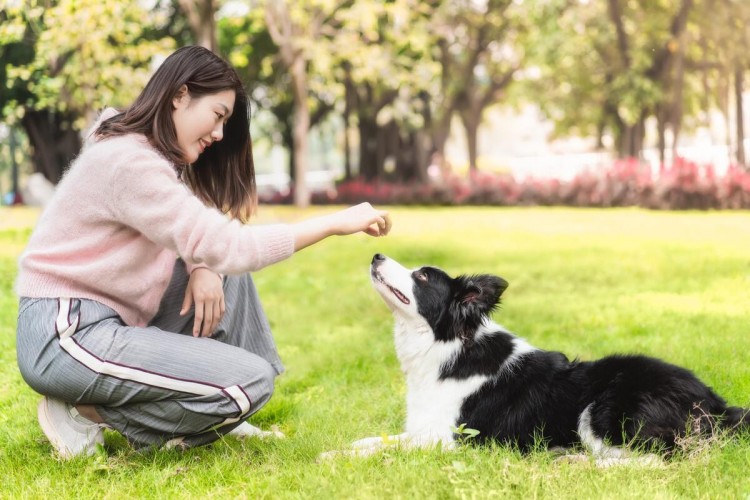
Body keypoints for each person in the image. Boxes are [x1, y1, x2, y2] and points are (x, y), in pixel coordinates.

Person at [15, 45, 392, 458]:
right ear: (180, 95)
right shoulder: (128, 161)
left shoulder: (143, 149)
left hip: (106, 323)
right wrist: (334, 223)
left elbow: (194, 229)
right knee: (250, 381)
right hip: (66, 335)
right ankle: (88, 413)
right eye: (218, 115)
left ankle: (223, 412)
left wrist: (201, 265)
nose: (219, 134)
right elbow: (230, 245)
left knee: (225, 273)